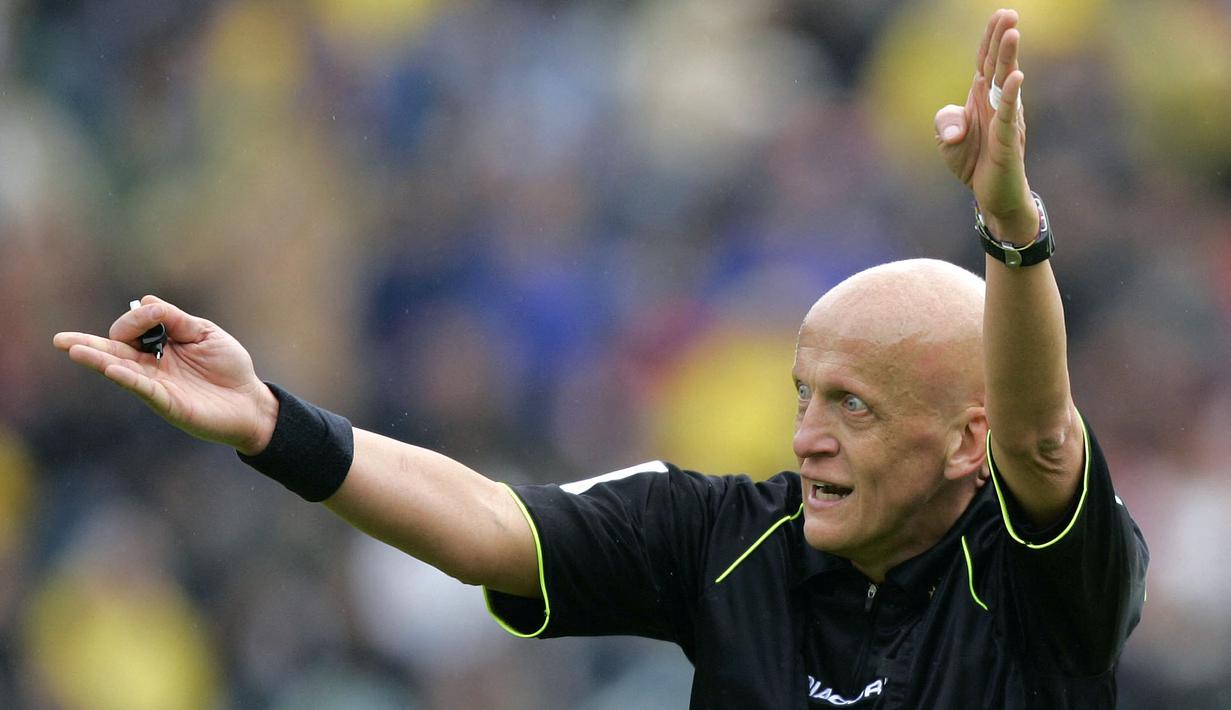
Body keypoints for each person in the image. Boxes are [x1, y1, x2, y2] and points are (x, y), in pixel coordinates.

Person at [54, 9, 1146, 708]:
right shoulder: (725, 533)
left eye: (853, 406)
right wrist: (270, 423)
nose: (806, 433)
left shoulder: (1042, 579)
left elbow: (1044, 433)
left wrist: (1009, 224)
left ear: (968, 441)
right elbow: (490, 525)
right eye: (803, 392)